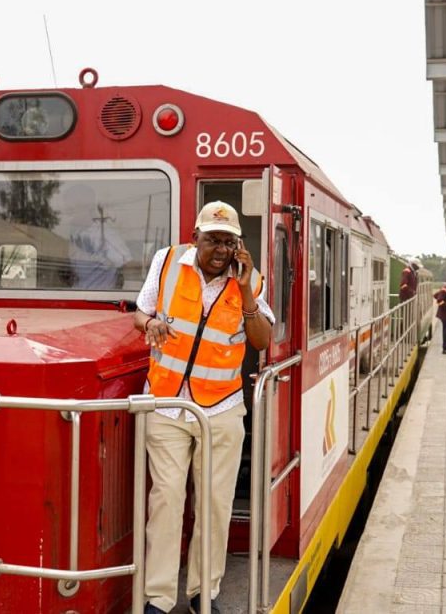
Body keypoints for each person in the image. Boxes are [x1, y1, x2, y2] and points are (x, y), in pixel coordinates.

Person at [133, 200, 274, 614]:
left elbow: (263, 340)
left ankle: (203, 593)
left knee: (215, 504)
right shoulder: (167, 261)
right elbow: (140, 313)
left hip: (222, 409)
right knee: (166, 500)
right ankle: (158, 598)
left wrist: (246, 289)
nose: (220, 250)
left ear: (238, 247)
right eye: (213, 239)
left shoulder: (252, 282)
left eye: (228, 242)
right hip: (166, 404)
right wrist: (151, 323)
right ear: (195, 238)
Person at [64, 184, 133, 289]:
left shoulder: (104, 234)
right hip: (78, 295)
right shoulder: (75, 234)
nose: (68, 214)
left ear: (87, 207)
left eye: (73, 209)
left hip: (100, 297)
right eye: (68, 210)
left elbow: (127, 266)